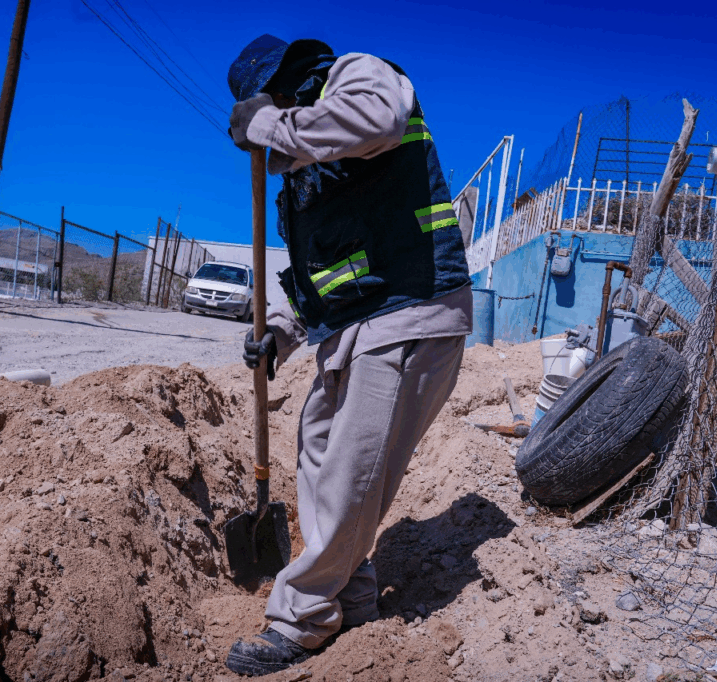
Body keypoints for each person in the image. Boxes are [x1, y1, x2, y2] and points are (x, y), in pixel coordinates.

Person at [224, 34, 473, 677]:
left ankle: (301, 614)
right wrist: (280, 330)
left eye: (271, 109)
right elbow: (321, 273)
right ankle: (354, 595)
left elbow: (380, 119)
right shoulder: (305, 173)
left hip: (411, 311)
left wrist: (270, 125)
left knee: (350, 474)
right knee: (316, 445)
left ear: (285, 88)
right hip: (353, 329)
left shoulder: (357, 76)